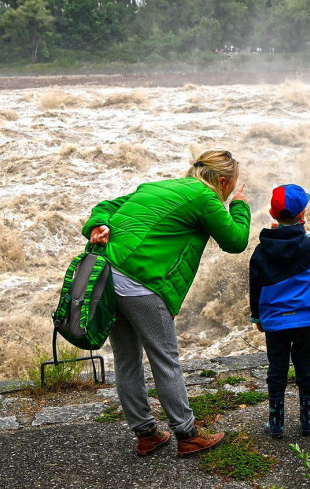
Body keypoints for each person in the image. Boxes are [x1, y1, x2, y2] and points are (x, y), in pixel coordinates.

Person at [82, 149, 250, 457]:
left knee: (127, 359)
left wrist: (98, 224)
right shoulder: (205, 197)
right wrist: (238, 207)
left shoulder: (155, 186)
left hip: (105, 275)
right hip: (141, 283)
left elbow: (106, 206)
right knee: (165, 360)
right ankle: (187, 435)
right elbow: (236, 241)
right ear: (223, 181)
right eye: (231, 185)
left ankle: (146, 434)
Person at [248, 184, 310, 438]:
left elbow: (255, 286)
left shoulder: (262, 250)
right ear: (302, 213)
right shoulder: (309, 247)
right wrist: (304, 234)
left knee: (277, 370)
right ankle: (307, 422)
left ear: (273, 216)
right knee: (305, 369)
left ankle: (276, 424)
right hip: (305, 321)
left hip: (275, 322)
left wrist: (257, 317)